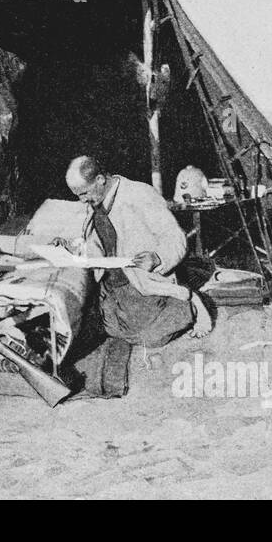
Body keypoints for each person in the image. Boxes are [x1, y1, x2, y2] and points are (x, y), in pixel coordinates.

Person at [61, 155, 212, 396]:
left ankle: (190, 300)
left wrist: (158, 258)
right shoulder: (94, 203)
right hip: (112, 283)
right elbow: (96, 241)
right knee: (93, 325)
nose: (82, 200)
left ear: (100, 179)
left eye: (84, 193)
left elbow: (175, 237)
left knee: (148, 338)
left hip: (144, 281)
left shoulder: (139, 195)